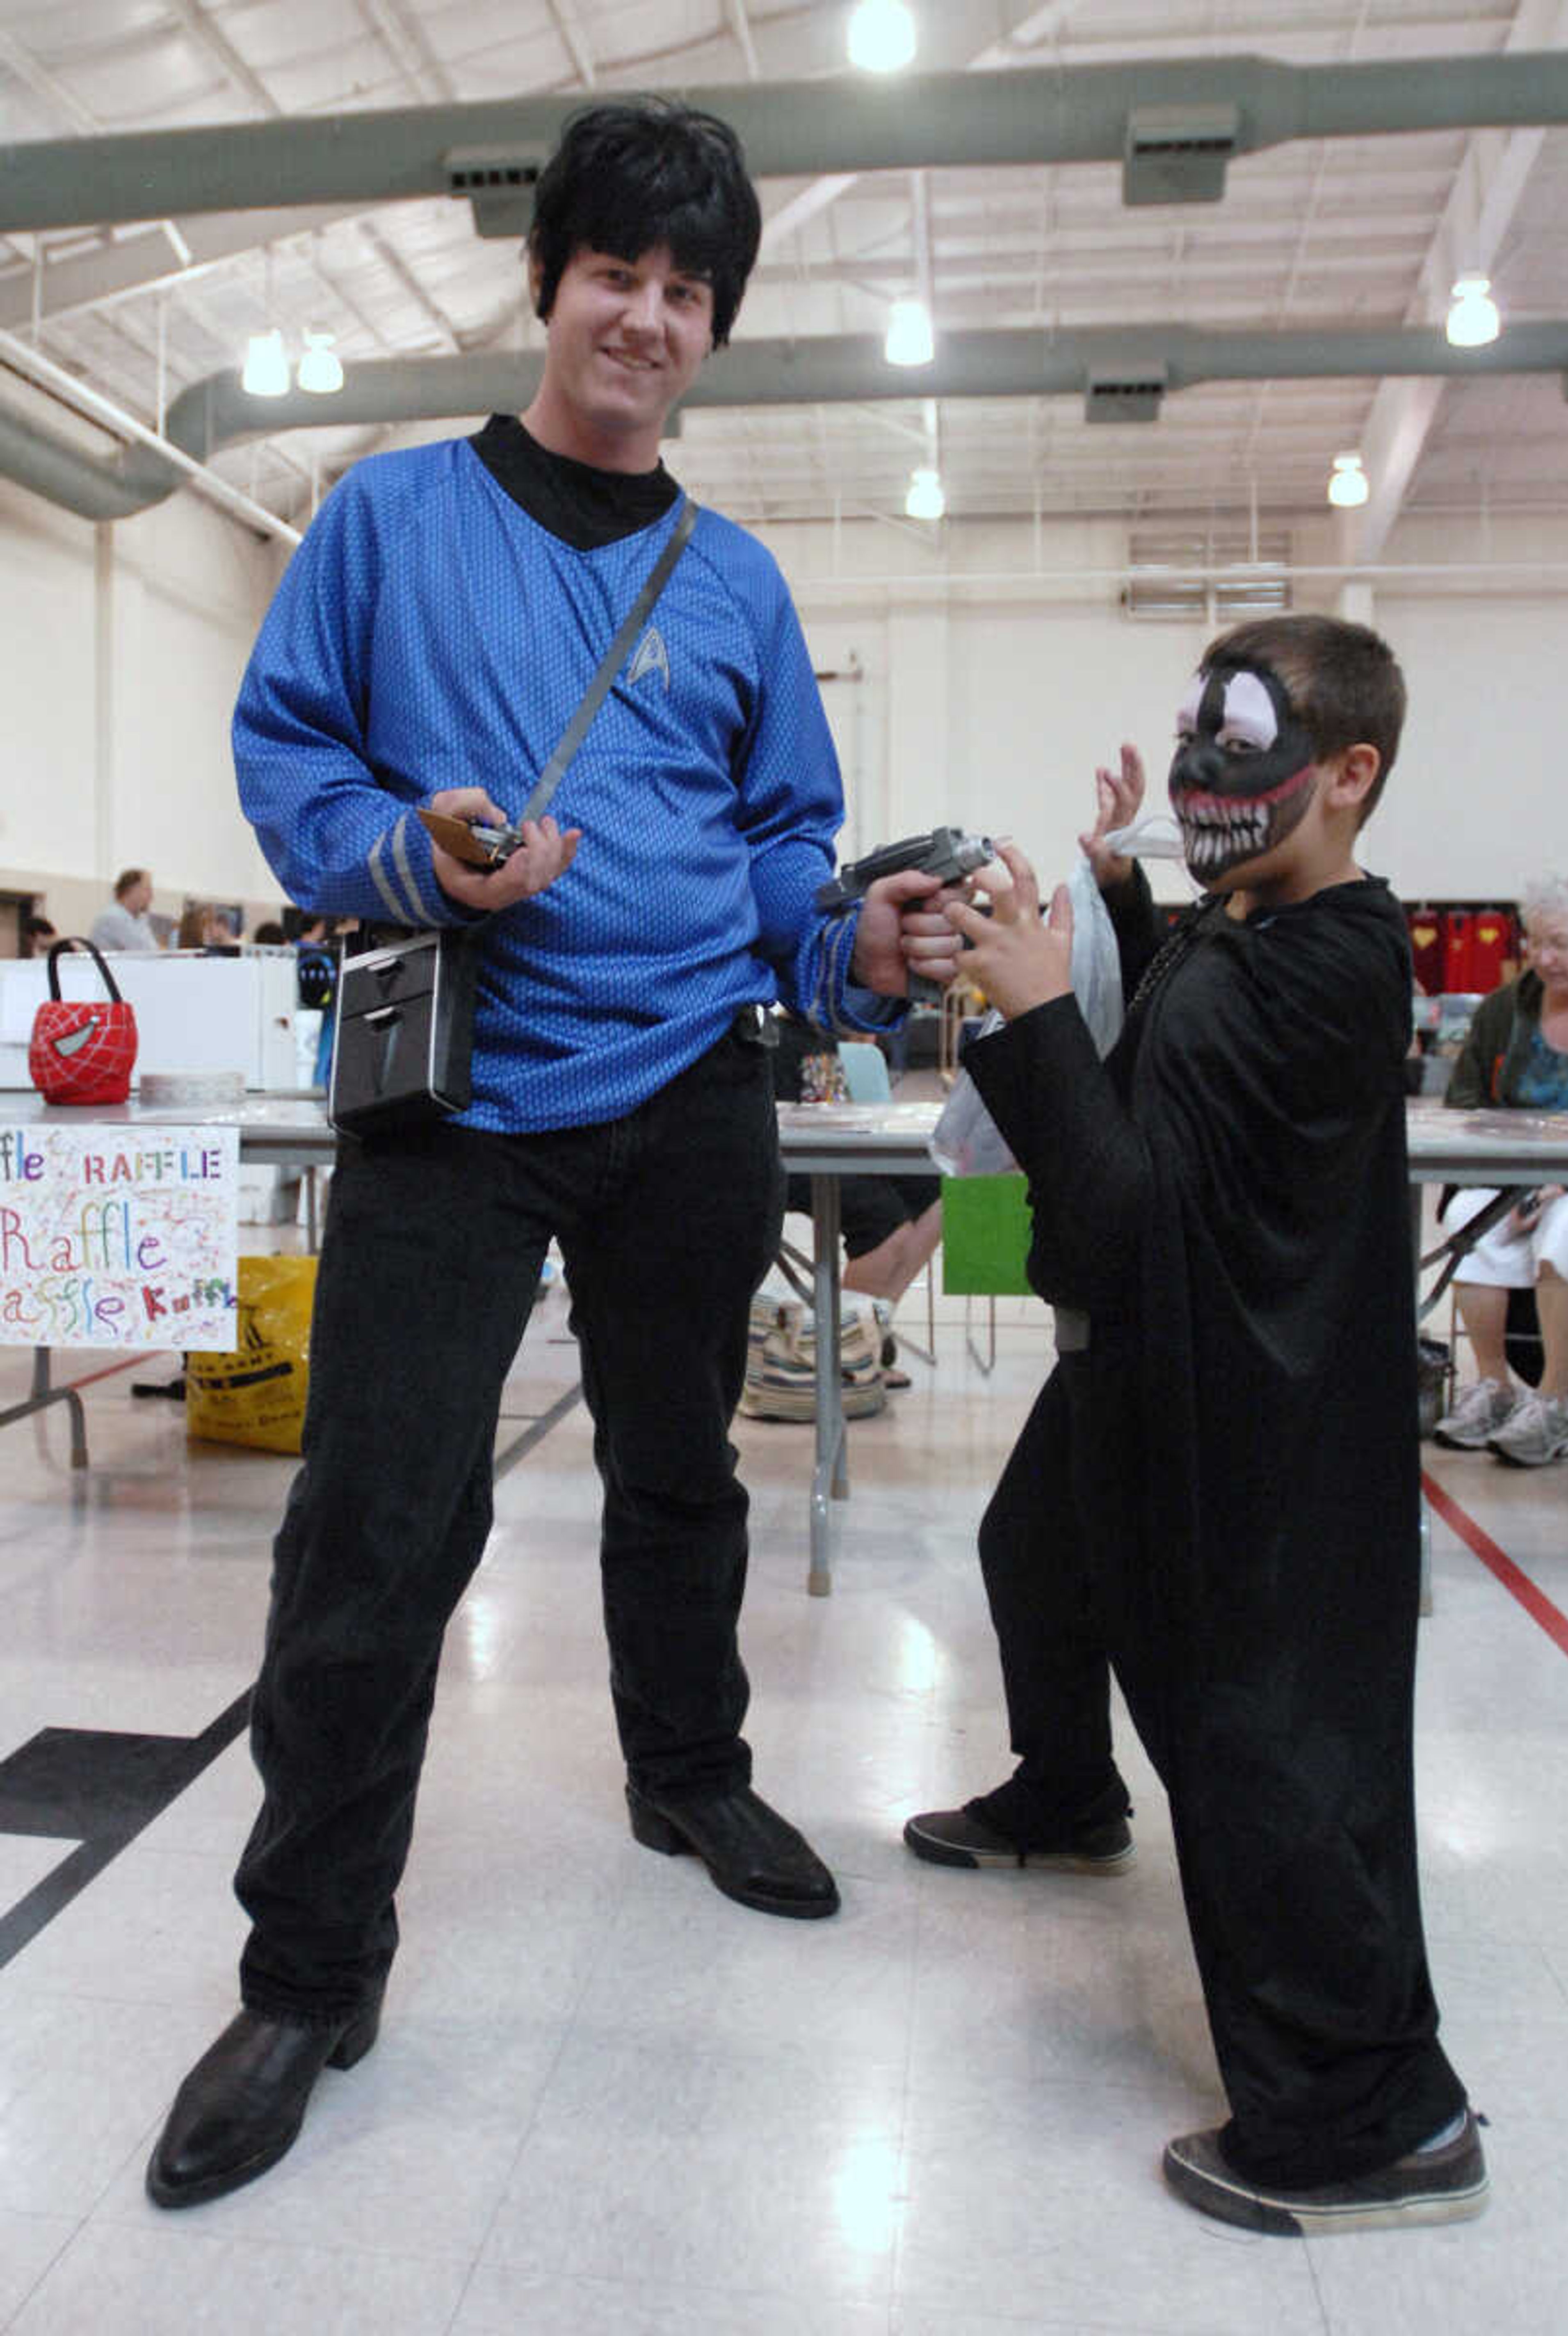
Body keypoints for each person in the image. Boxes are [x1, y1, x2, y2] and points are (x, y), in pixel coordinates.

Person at [146, 96, 961, 2213]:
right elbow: (291, 751)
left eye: (692, 292)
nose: (652, 318)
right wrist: (399, 846)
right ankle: (308, 1967)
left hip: (689, 1086)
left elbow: (790, 845)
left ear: (716, 328)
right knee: (376, 1522)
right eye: (621, 272)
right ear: (549, 281)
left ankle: (689, 1776)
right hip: (459, 1090)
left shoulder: (742, 583)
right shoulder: (387, 523)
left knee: (684, 1469)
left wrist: (848, 937)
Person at [903, 616, 1486, 2236]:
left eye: (1241, 739)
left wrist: (1024, 1017)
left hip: (1238, 1426)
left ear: (1350, 771)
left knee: (1257, 1739)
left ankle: (1376, 2118)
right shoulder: (1268, 928)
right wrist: (1117, 895)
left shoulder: (1325, 965)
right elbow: (1189, 1041)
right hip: (1162, 1386)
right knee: (1040, 1547)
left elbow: (1123, 1211)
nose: (1201, 771)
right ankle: (1064, 1789)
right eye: (1195, 734)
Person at [1431, 875, 1568, 1466]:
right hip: (1511, 1175)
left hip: (1567, 1187)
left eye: (1561, 943)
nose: (1543, 958)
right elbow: (1465, 1102)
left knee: (1567, 1226)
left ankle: (1555, 1401)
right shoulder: (1502, 1009)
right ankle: (1494, 1386)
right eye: (1536, 943)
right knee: (1469, 1214)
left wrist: (1557, 1183)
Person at [772, 1010, 942, 1384]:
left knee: (934, 1192)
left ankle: (871, 1330)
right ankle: (840, 1352)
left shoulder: (820, 1038)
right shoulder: (784, 1038)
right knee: (885, 1224)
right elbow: (810, 1120)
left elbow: (828, 1110)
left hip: (825, 1146)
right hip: (788, 1162)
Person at [88, 867, 159, 951]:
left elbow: (153, 950)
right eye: (148, 890)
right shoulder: (113, 917)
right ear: (132, 890)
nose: (151, 896)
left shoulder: (139, 919)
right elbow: (145, 952)